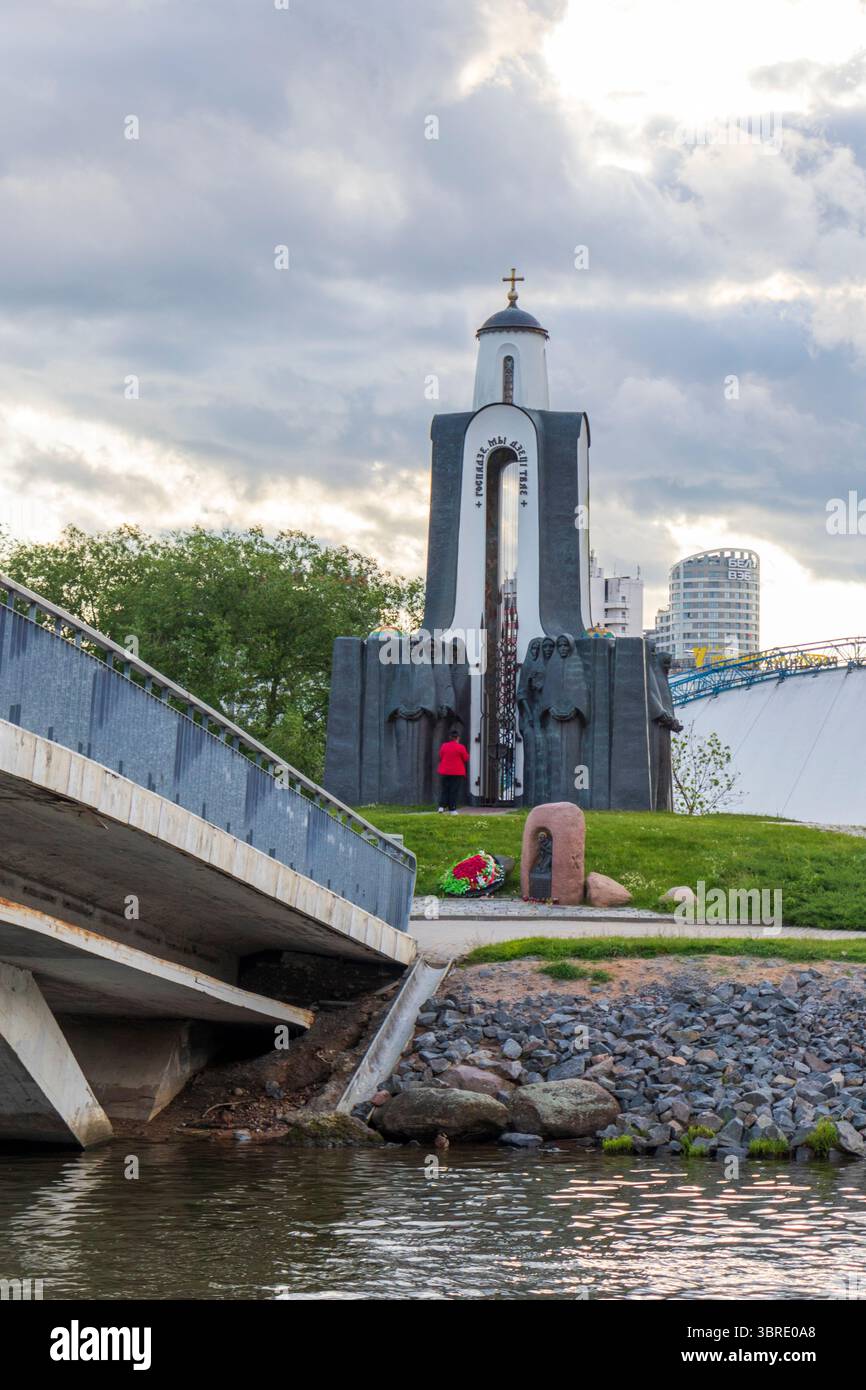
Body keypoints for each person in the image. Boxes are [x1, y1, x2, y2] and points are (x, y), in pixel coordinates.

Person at [436, 728, 469, 814]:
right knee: (453, 790)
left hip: (445, 771)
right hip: (457, 772)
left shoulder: (444, 746)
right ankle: (452, 809)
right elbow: (465, 758)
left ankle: (441, 807)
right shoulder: (461, 747)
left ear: (450, 737)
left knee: (445, 789)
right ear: (457, 738)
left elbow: (441, 755)